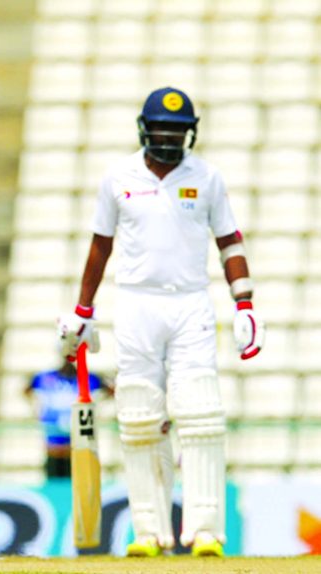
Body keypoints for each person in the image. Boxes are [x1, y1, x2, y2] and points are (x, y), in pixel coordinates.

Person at [58, 87, 265, 558]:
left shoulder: (207, 177)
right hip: (136, 305)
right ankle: (149, 532)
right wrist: (83, 310)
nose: (168, 138)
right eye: (160, 130)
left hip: (190, 304)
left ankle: (206, 530)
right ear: (144, 129)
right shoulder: (118, 178)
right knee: (138, 417)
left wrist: (245, 303)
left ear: (190, 133)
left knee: (201, 415)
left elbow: (229, 240)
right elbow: (100, 245)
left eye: (177, 130)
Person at [25, 357, 111, 479]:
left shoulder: (89, 378)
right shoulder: (46, 377)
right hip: (53, 449)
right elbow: (27, 390)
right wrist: (35, 411)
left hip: (78, 448)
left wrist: (97, 410)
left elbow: (109, 390)